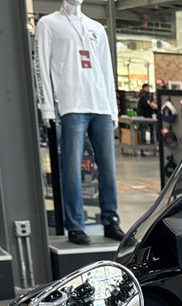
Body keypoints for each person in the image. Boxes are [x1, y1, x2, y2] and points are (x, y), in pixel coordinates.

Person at [35, 0, 124, 245]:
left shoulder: (96, 28)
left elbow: (107, 70)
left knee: (108, 167)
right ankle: (75, 225)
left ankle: (111, 220)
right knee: (71, 167)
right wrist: (47, 106)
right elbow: (41, 67)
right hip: (71, 105)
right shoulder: (48, 24)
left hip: (100, 105)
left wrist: (113, 108)